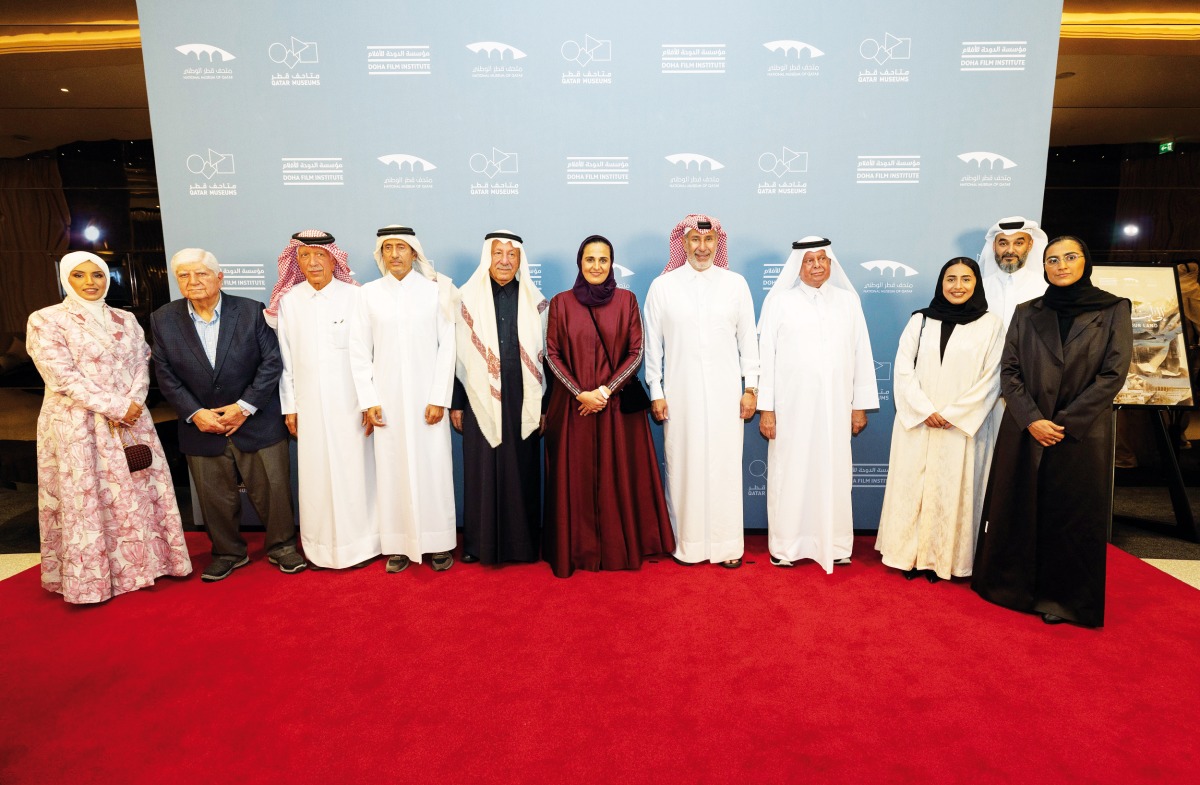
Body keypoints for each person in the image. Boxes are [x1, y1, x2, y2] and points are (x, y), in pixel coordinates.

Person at [972, 236, 1133, 627]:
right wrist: (1031, 419)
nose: (1061, 265)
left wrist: (1063, 423)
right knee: (1020, 509)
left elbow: (1113, 374)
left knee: (1071, 517)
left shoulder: (1113, 309)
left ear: (1085, 262)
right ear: (1043, 267)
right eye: (1053, 259)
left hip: (1079, 433)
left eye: (1070, 257)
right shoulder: (1028, 312)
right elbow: (1009, 371)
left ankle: (1062, 600)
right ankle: (1013, 587)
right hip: (1026, 429)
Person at [26, 251, 192, 603]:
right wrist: (117, 406)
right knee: (89, 498)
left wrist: (134, 401)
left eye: (97, 275)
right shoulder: (46, 320)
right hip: (79, 424)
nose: (90, 282)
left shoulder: (125, 319)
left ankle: (145, 566)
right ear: (66, 280)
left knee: (137, 494)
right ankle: (93, 581)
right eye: (80, 276)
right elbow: (61, 377)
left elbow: (142, 363)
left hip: (132, 421)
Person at [151, 248, 304, 581]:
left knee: (274, 491)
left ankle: (282, 547)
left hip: (256, 421)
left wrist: (243, 407)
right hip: (200, 426)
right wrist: (195, 413)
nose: (193, 281)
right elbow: (164, 373)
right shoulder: (163, 318)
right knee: (213, 497)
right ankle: (228, 552)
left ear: (219, 277)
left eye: (202, 273)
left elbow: (271, 363)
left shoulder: (250, 311)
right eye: (184, 275)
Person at [542, 235, 675, 578]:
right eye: (590, 260)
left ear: (611, 264)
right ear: (580, 263)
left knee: (617, 477)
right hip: (573, 410)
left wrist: (602, 392)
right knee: (577, 479)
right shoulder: (560, 303)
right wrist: (579, 393)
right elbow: (552, 354)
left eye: (603, 260)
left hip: (615, 411)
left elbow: (636, 352)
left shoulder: (627, 300)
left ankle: (619, 548)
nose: (597, 267)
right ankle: (577, 549)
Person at [874, 258, 1005, 582]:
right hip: (919, 423)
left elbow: (994, 377)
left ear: (976, 283)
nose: (957, 286)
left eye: (965, 279)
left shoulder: (992, 324)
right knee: (913, 488)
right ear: (940, 283)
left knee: (953, 491)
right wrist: (924, 410)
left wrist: (953, 414)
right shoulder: (920, 320)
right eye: (950, 278)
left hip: (962, 428)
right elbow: (903, 369)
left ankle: (945, 562)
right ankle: (909, 557)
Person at [643, 214, 759, 568]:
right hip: (680, 396)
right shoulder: (662, 287)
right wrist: (656, 391)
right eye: (695, 240)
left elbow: (748, 342)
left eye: (709, 241)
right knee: (684, 467)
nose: (702, 247)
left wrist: (751, 387)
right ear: (683, 243)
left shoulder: (735, 284)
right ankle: (688, 545)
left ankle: (726, 547)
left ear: (717, 244)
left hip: (727, 396)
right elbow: (652, 349)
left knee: (724, 468)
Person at [757, 237, 878, 572]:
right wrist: (766, 409)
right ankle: (787, 546)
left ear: (831, 264)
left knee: (835, 472)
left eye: (822, 259)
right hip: (790, 410)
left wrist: (860, 406)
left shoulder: (848, 302)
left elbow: (862, 355)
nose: (816, 266)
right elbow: (765, 358)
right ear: (798, 265)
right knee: (790, 473)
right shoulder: (779, 302)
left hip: (836, 408)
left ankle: (836, 544)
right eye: (809, 260)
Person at [350, 226, 457, 573]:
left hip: (428, 400)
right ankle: (396, 544)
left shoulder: (435, 291)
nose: (395, 254)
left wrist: (440, 397)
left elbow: (448, 349)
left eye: (402, 247)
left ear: (414, 253)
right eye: (388, 248)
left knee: (434, 468)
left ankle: (438, 542)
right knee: (392, 470)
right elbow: (359, 352)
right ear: (381, 254)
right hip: (387, 401)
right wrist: (369, 399)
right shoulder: (368, 295)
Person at [274, 230, 379, 569]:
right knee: (316, 477)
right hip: (309, 409)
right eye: (305, 256)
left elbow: (368, 356)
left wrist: (369, 401)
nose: (313, 262)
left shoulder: (356, 297)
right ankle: (319, 548)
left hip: (351, 406)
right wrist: (289, 406)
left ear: (334, 259)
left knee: (356, 474)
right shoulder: (290, 301)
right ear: (297, 261)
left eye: (320, 255)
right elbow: (285, 359)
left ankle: (361, 546)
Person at [450, 231, 548, 564]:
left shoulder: (535, 300)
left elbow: (546, 358)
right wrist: (458, 403)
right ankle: (480, 545)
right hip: (478, 395)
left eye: (512, 255)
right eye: (498, 254)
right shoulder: (466, 298)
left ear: (520, 260)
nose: (505, 260)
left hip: (524, 396)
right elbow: (457, 357)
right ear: (486, 257)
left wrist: (544, 407)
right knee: (481, 469)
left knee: (520, 468)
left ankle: (522, 545)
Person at [979, 216, 1050, 330]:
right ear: (994, 246)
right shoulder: (980, 289)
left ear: (1030, 245)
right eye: (1003, 244)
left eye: (1018, 243)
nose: (1010, 250)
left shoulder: (1045, 289)